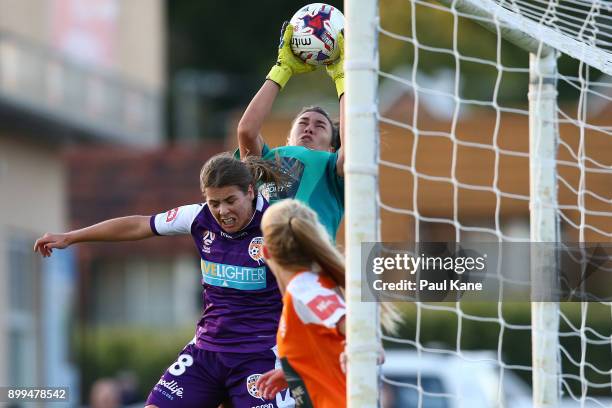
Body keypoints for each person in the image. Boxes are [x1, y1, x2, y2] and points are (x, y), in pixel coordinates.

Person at [34, 153, 295, 408]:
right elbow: (138, 226)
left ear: (250, 192)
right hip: (207, 352)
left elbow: (301, 291)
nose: (222, 211)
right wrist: (71, 237)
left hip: (259, 356)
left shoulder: (276, 226)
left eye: (230, 200)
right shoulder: (198, 218)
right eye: (214, 203)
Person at [237, 22, 345, 239]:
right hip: (265, 261)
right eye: (303, 123)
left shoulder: (333, 164)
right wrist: (282, 69)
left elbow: (352, 145)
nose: (309, 128)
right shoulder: (268, 158)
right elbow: (246, 131)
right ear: (288, 138)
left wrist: (342, 78)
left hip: (313, 259)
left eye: (320, 125)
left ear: (332, 146)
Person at [256, 199, 347, 408]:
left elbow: (351, 325)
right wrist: (298, 371)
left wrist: (364, 346)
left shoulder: (304, 289)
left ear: (265, 252)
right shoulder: (304, 289)